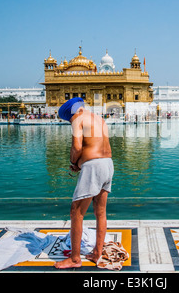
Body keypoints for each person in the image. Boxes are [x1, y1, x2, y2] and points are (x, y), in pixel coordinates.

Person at [55, 97, 114, 268]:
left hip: (93, 167)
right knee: (100, 212)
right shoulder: (99, 119)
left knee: (76, 212)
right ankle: (97, 252)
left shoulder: (77, 119)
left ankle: (74, 259)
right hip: (108, 164)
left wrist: (74, 163)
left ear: (72, 113)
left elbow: (78, 147)